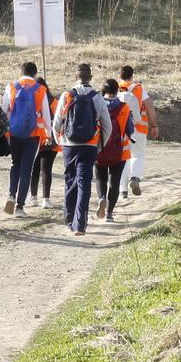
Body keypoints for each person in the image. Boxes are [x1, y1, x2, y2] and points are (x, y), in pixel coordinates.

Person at [54, 63, 112, 237]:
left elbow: (57, 124)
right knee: (84, 183)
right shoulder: (97, 97)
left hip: (69, 146)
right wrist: (100, 145)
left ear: (76, 76)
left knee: (70, 182)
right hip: (89, 146)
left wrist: (61, 142)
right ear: (90, 78)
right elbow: (107, 126)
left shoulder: (67, 95)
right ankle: (80, 225)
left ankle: (70, 220)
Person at [4, 62, 52, 218]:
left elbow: (5, 109)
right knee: (27, 168)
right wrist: (49, 135)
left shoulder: (11, 86)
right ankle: (19, 207)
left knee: (15, 164)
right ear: (35, 73)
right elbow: (46, 115)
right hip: (33, 134)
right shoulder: (40, 89)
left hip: (14, 132)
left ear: (21, 72)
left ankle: (11, 194)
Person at [96, 79, 137, 223]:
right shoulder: (124, 107)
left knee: (101, 178)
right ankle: (109, 214)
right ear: (117, 90)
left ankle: (101, 198)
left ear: (103, 90)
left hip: (99, 149)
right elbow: (130, 130)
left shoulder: (97, 105)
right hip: (119, 151)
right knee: (115, 181)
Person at [117, 67, 156, 198]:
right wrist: (154, 125)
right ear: (132, 76)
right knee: (138, 155)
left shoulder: (115, 88)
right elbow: (149, 106)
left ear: (120, 76)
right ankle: (134, 178)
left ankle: (123, 191)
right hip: (139, 129)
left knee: (123, 159)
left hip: (121, 130)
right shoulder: (139, 89)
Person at [29, 74, 60, 208]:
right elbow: (59, 121)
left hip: (35, 138)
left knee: (34, 169)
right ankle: (46, 199)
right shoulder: (54, 102)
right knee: (46, 169)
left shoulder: (32, 102)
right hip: (51, 139)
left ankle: (33, 197)